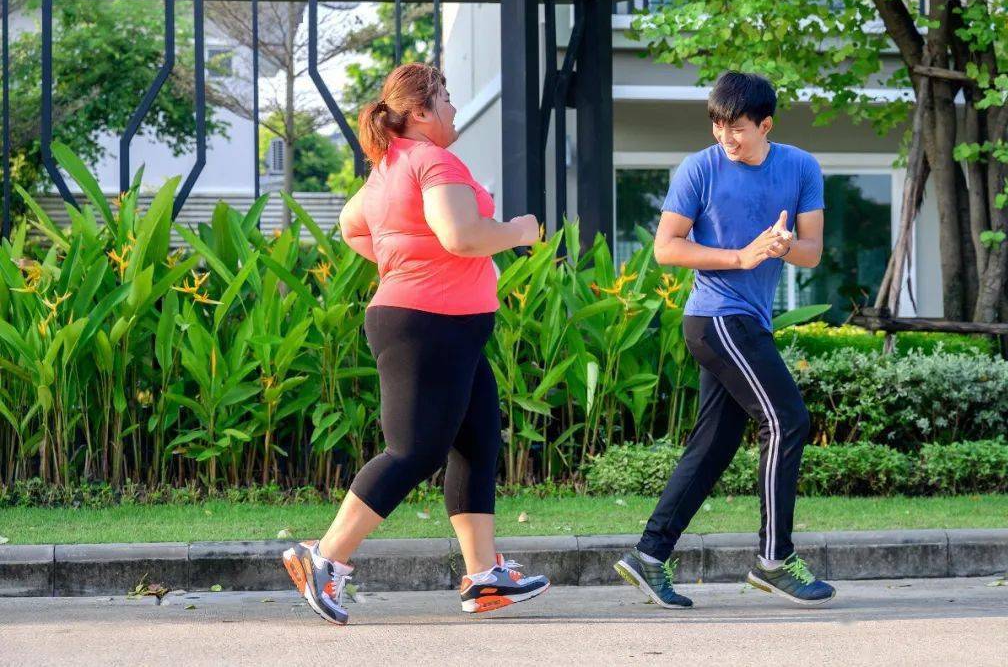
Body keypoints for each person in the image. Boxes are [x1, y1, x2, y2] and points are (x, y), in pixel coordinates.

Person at [282, 62, 550, 625]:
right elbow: (461, 235)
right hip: (429, 324)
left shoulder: (389, 166)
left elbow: (353, 227)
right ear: (421, 113)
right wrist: (520, 231)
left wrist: (402, 259)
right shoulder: (433, 160)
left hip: (450, 323)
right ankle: (324, 557)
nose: (453, 109)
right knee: (416, 450)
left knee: (476, 444)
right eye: (446, 99)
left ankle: (483, 578)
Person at [614, 72, 836, 608]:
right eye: (717, 124)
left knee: (713, 446)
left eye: (736, 127)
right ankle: (775, 560)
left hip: (749, 322)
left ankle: (648, 556)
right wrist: (738, 257)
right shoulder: (700, 169)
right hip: (716, 318)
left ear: (766, 125)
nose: (725, 137)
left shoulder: (801, 167)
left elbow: (812, 252)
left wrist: (782, 247)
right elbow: (667, 247)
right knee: (787, 419)